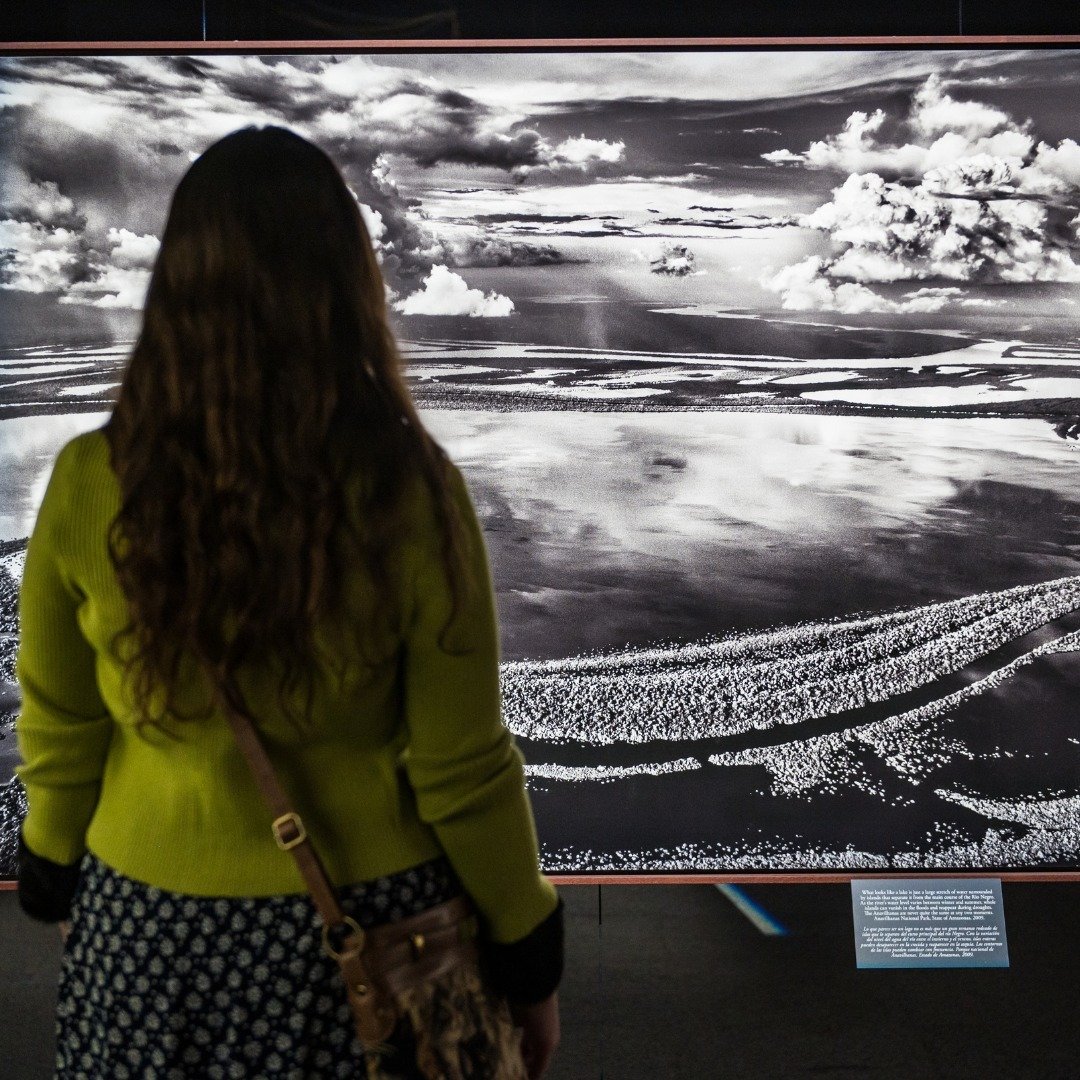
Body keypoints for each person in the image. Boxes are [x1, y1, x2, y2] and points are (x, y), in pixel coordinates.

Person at [15, 126, 562, 1080]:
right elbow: (461, 769)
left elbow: (62, 724)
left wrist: (58, 867)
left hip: (143, 927)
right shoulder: (415, 488)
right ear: (347, 285)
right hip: (374, 934)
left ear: (176, 284)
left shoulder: (89, 481)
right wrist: (528, 950)